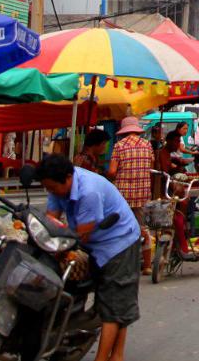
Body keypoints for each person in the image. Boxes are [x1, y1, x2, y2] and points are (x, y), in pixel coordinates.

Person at [38, 153, 141, 361]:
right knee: (115, 302)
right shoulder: (56, 186)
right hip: (94, 243)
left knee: (114, 304)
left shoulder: (89, 192)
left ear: (67, 178)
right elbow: (51, 221)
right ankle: (116, 355)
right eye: (47, 188)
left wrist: (58, 247)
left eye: (52, 187)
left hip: (118, 243)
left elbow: (81, 233)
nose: (51, 192)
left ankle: (104, 358)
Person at [107, 116, 154, 272]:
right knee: (143, 228)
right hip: (143, 193)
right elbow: (151, 166)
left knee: (122, 228)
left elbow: (112, 171)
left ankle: (125, 265)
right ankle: (147, 266)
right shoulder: (147, 145)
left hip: (123, 195)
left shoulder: (119, 146)